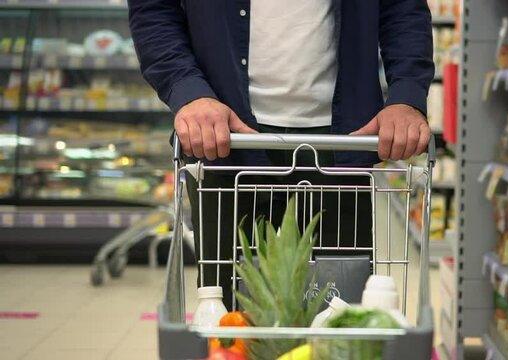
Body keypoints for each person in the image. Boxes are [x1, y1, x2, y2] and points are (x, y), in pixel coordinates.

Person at [129, 0, 435, 308]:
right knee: (229, 317)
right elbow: (155, 8)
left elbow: (403, 8)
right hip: (225, 141)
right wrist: (188, 91)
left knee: (337, 318)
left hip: (344, 143)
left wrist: (406, 97)